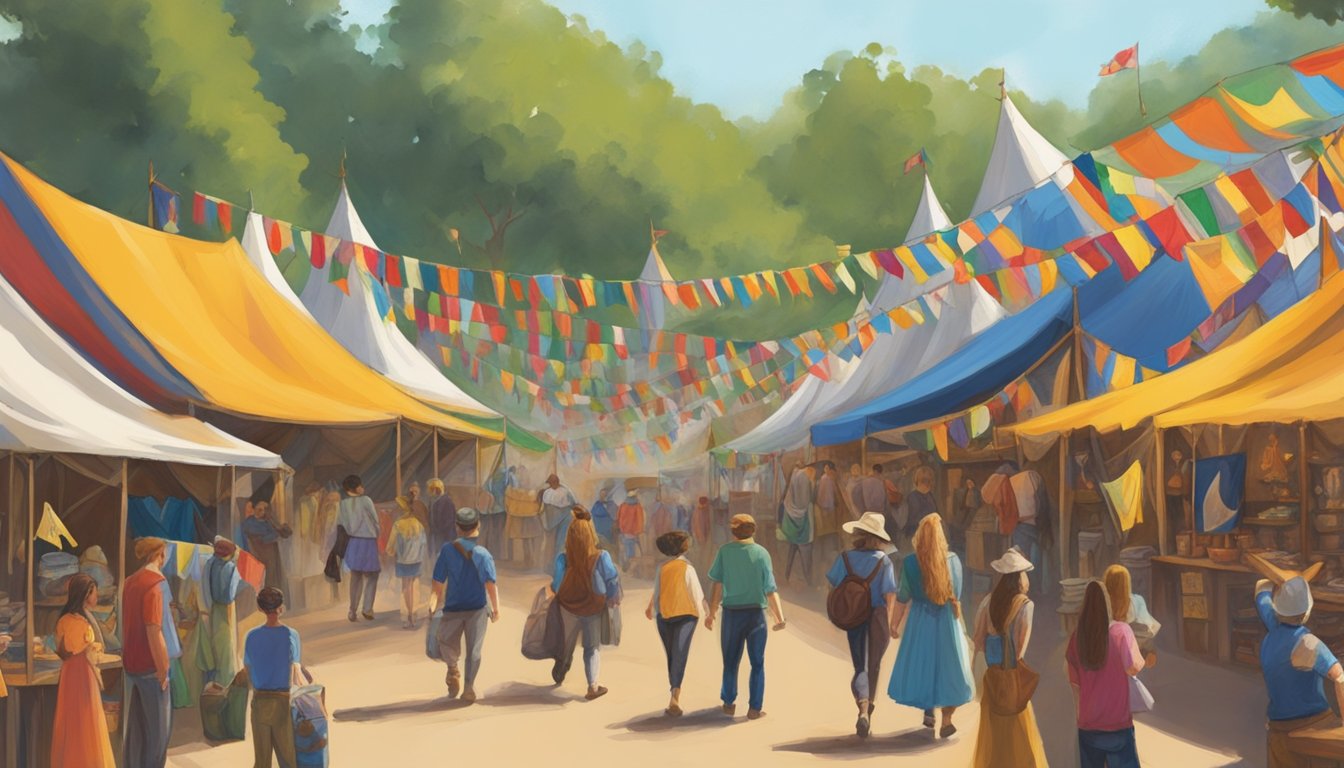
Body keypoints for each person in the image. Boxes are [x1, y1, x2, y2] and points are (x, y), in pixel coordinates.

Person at [1247, 556, 1344, 767]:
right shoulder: (1307, 644)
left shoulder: (1272, 623)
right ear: (1307, 611)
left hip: (1277, 727)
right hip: (1311, 723)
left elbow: (1261, 586)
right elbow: (1340, 677)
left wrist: (1283, 581)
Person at [888, 513, 973, 739]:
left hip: (920, 620)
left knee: (925, 666)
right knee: (949, 668)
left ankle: (929, 713)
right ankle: (947, 719)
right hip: (946, 619)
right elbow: (958, 592)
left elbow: (903, 596)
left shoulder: (909, 563)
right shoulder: (953, 561)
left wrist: (894, 624)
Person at [970, 548, 1047, 767]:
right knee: (1019, 737)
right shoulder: (1025, 605)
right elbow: (1020, 649)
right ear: (1021, 577)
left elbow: (978, 639)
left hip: (992, 678)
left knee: (993, 739)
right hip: (1011, 680)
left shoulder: (988, 601)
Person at [706, 513, 786, 720]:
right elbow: (770, 589)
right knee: (757, 662)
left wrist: (712, 612)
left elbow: (717, 584)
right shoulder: (762, 553)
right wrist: (779, 617)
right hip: (756, 615)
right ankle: (754, 708)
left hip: (732, 614)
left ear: (733, 531)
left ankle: (729, 702)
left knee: (731, 661)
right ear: (753, 531)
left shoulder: (724, 552)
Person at [825, 512, 897, 738]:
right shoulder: (884, 561)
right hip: (877, 615)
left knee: (859, 665)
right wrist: (889, 620)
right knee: (874, 664)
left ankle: (863, 707)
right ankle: (869, 705)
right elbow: (890, 595)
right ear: (878, 538)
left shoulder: (846, 557)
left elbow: (833, 585)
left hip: (854, 615)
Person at [1066, 580, 1146, 768]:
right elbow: (1134, 666)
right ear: (1107, 604)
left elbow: (1074, 684)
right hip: (1118, 723)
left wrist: (1081, 716)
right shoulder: (1121, 632)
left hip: (1088, 724)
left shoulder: (1077, 638)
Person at [550, 508, 622, 700]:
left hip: (567, 605)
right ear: (591, 534)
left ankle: (560, 670)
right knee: (591, 647)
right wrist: (613, 597)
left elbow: (556, 585)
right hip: (593, 606)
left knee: (567, 642)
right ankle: (592, 686)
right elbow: (612, 579)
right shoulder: (601, 557)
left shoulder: (563, 558)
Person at [432, 507, 500, 703]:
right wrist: (495, 609)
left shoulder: (447, 550)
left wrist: (433, 604)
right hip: (477, 608)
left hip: (453, 606)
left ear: (457, 527)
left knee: (447, 642)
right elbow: (490, 584)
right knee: (474, 650)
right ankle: (469, 687)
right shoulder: (484, 554)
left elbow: (437, 582)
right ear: (478, 526)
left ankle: (452, 669)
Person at [123, 537, 177, 768]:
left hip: (131, 663)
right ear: (159, 555)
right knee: (158, 733)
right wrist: (163, 669)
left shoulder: (129, 582)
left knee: (136, 730)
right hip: (150, 665)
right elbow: (154, 630)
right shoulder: (156, 584)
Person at [52, 573, 114, 768]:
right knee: (87, 721)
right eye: (95, 593)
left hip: (69, 673)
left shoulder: (63, 620)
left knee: (70, 721)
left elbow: (63, 649)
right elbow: (85, 648)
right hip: (83, 675)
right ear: (86, 594)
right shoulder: (82, 623)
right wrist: (93, 646)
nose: (97, 597)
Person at [645, 530, 706, 717]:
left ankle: (674, 695)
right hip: (686, 616)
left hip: (664, 616)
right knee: (680, 655)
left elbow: (658, 591)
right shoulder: (688, 569)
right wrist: (706, 614)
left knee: (672, 655)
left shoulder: (662, 569)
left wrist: (652, 609)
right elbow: (697, 595)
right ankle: (675, 696)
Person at [243, 587, 302, 768]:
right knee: (288, 758)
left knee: (262, 760)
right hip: (283, 701)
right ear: (281, 607)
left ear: (260, 609)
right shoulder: (291, 635)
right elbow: (296, 671)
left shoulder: (252, 636)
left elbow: (247, 668)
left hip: (260, 700)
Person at [337, 475, 382, 622]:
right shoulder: (366, 500)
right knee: (372, 575)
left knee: (355, 577)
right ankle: (367, 608)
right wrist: (377, 531)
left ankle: (352, 611)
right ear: (356, 487)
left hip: (354, 542)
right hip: (368, 541)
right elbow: (375, 519)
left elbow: (343, 523)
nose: (363, 487)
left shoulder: (343, 504)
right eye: (361, 485)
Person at [201, 536, 242, 685]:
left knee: (215, 644)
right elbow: (230, 595)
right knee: (227, 644)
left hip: (213, 607)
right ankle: (227, 680)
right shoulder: (231, 568)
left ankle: (216, 679)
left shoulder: (210, 564)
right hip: (226, 608)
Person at [388, 496, 429, 629]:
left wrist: (391, 553)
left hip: (402, 560)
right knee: (415, 585)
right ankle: (414, 613)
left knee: (405, 587)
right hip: (416, 560)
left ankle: (406, 615)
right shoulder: (418, 525)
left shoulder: (398, 525)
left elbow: (390, 546)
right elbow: (423, 544)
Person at [242, 483, 291, 592]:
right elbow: (261, 539)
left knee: (272, 577)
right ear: (254, 509)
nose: (260, 512)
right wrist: (275, 534)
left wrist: (278, 530)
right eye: (258, 509)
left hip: (271, 554)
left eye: (263, 510)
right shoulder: (249, 523)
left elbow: (281, 533)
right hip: (258, 553)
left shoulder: (267, 521)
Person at [1104, 564, 1161, 654]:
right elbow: (1148, 626)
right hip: (1130, 649)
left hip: (1108, 648)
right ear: (1127, 583)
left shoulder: (1101, 602)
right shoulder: (1136, 600)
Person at [781, 463, 816, 586]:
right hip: (803, 525)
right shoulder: (804, 477)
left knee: (791, 552)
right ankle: (809, 583)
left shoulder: (795, 476)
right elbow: (804, 501)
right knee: (805, 554)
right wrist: (811, 483)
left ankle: (787, 579)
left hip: (790, 523)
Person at [540, 474, 578, 576]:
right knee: (550, 545)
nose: (552, 485)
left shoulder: (566, 491)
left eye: (553, 483)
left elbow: (574, 504)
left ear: (557, 482)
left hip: (564, 520)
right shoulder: (547, 493)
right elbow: (544, 509)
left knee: (561, 544)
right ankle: (551, 567)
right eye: (550, 483)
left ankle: (560, 568)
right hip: (551, 523)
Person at [901, 466, 939, 543]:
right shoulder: (912, 497)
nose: (929, 484)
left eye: (929, 481)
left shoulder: (930, 495)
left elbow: (936, 514)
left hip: (931, 535)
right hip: (917, 537)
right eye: (926, 481)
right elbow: (913, 520)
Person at [617, 489, 646, 571]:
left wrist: (621, 528)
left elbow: (618, 517)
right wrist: (639, 531)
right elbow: (640, 520)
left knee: (624, 548)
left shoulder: (622, 505)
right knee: (633, 550)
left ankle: (625, 564)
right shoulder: (637, 506)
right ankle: (630, 566)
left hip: (624, 532)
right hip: (633, 533)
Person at [427, 479, 457, 557]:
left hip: (445, 535)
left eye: (435, 489)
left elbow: (450, 520)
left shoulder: (447, 501)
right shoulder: (432, 501)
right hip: (435, 534)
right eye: (432, 489)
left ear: (440, 489)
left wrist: (439, 529)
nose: (433, 491)